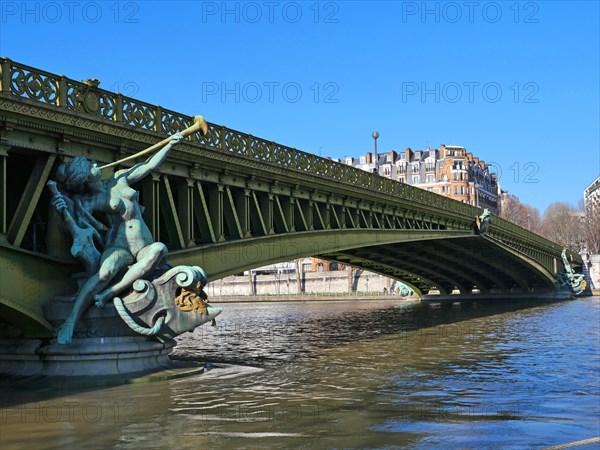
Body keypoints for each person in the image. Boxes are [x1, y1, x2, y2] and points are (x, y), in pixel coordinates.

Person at [50, 133, 183, 344]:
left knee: (158, 250)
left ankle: (108, 294)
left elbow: (148, 166)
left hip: (143, 243)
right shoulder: (90, 201)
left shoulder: (120, 177)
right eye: (90, 164)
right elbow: (74, 227)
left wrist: (169, 145)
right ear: (84, 176)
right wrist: (61, 211)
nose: (95, 163)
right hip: (119, 244)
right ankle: (71, 321)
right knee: (104, 274)